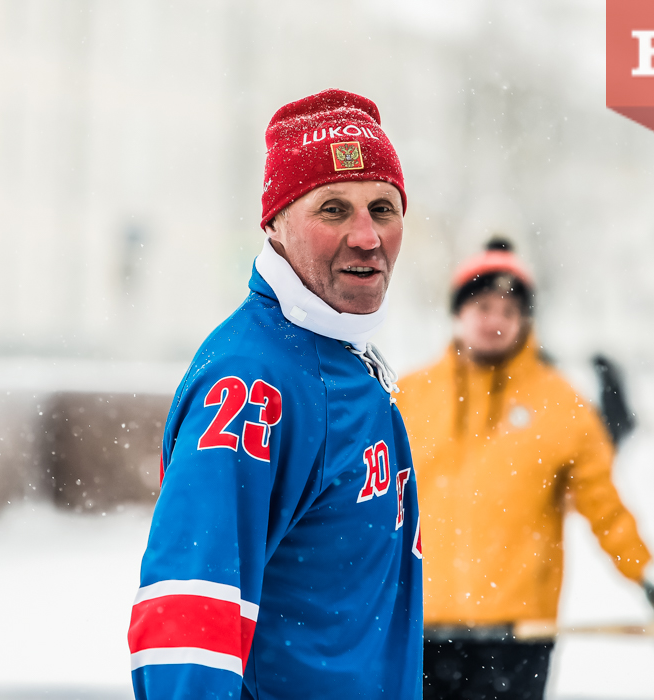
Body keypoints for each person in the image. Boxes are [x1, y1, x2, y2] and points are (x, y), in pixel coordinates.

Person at [127, 89, 423, 700]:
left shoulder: (342, 353)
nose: (367, 237)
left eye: (384, 208)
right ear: (274, 223)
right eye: (334, 209)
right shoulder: (253, 384)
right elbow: (188, 615)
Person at [399, 238, 654, 700]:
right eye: (484, 306)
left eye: (509, 312)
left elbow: (605, 508)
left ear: (525, 321)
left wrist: (651, 579)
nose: (495, 321)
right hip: (422, 633)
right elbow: (369, 505)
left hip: (519, 639)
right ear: (458, 312)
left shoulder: (560, 405)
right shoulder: (409, 397)